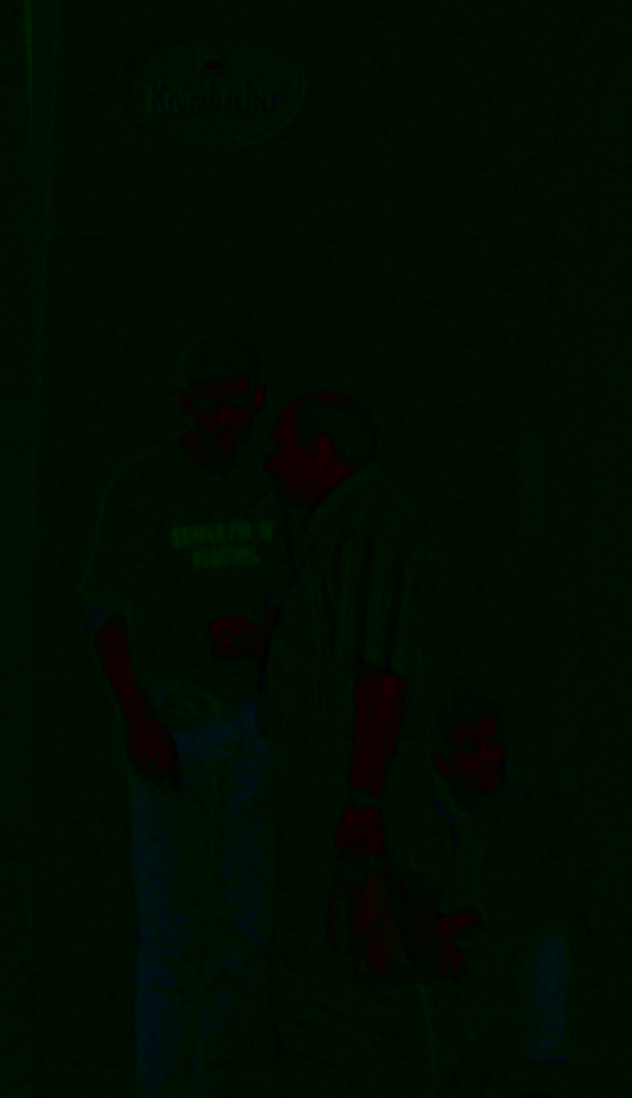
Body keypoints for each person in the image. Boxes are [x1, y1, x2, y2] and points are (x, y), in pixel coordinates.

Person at [81, 334, 293, 1098]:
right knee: (173, 934)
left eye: (237, 393)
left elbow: (307, 600)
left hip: (257, 721)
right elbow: (105, 610)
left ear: (258, 398)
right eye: (210, 394)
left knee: (244, 929)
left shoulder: (278, 484)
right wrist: (137, 714)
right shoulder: (145, 484)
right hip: (176, 719)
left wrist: (268, 641)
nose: (224, 409)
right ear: (185, 401)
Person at [256, 388, 444, 1098]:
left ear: (321, 451)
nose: (272, 465)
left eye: (284, 448)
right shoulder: (341, 526)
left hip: (343, 779)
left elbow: (378, 677)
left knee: (350, 951)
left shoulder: (366, 530)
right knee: (341, 952)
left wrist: (362, 799)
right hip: (335, 776)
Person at [417, 690, 591, 1098]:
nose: (487, 759)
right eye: (470, 751)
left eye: (492, 746)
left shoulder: (531, 805)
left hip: (511, 951)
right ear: (442, 763)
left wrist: (464, 920)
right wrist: (435, 926)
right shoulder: (423, 817)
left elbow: (549, 889)